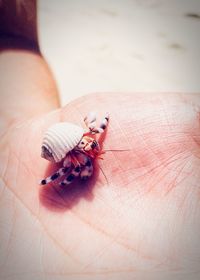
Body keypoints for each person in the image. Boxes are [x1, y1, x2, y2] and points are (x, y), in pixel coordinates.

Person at [0, 1, 200, 279]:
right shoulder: (75, 155)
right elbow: (69, 168)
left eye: (91, 144)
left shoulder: (86, 139)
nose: (93, 150)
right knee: (76, 170)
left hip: (62, 138)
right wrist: (49, 181)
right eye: (90, 146)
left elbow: (98, 124)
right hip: (61, 143)